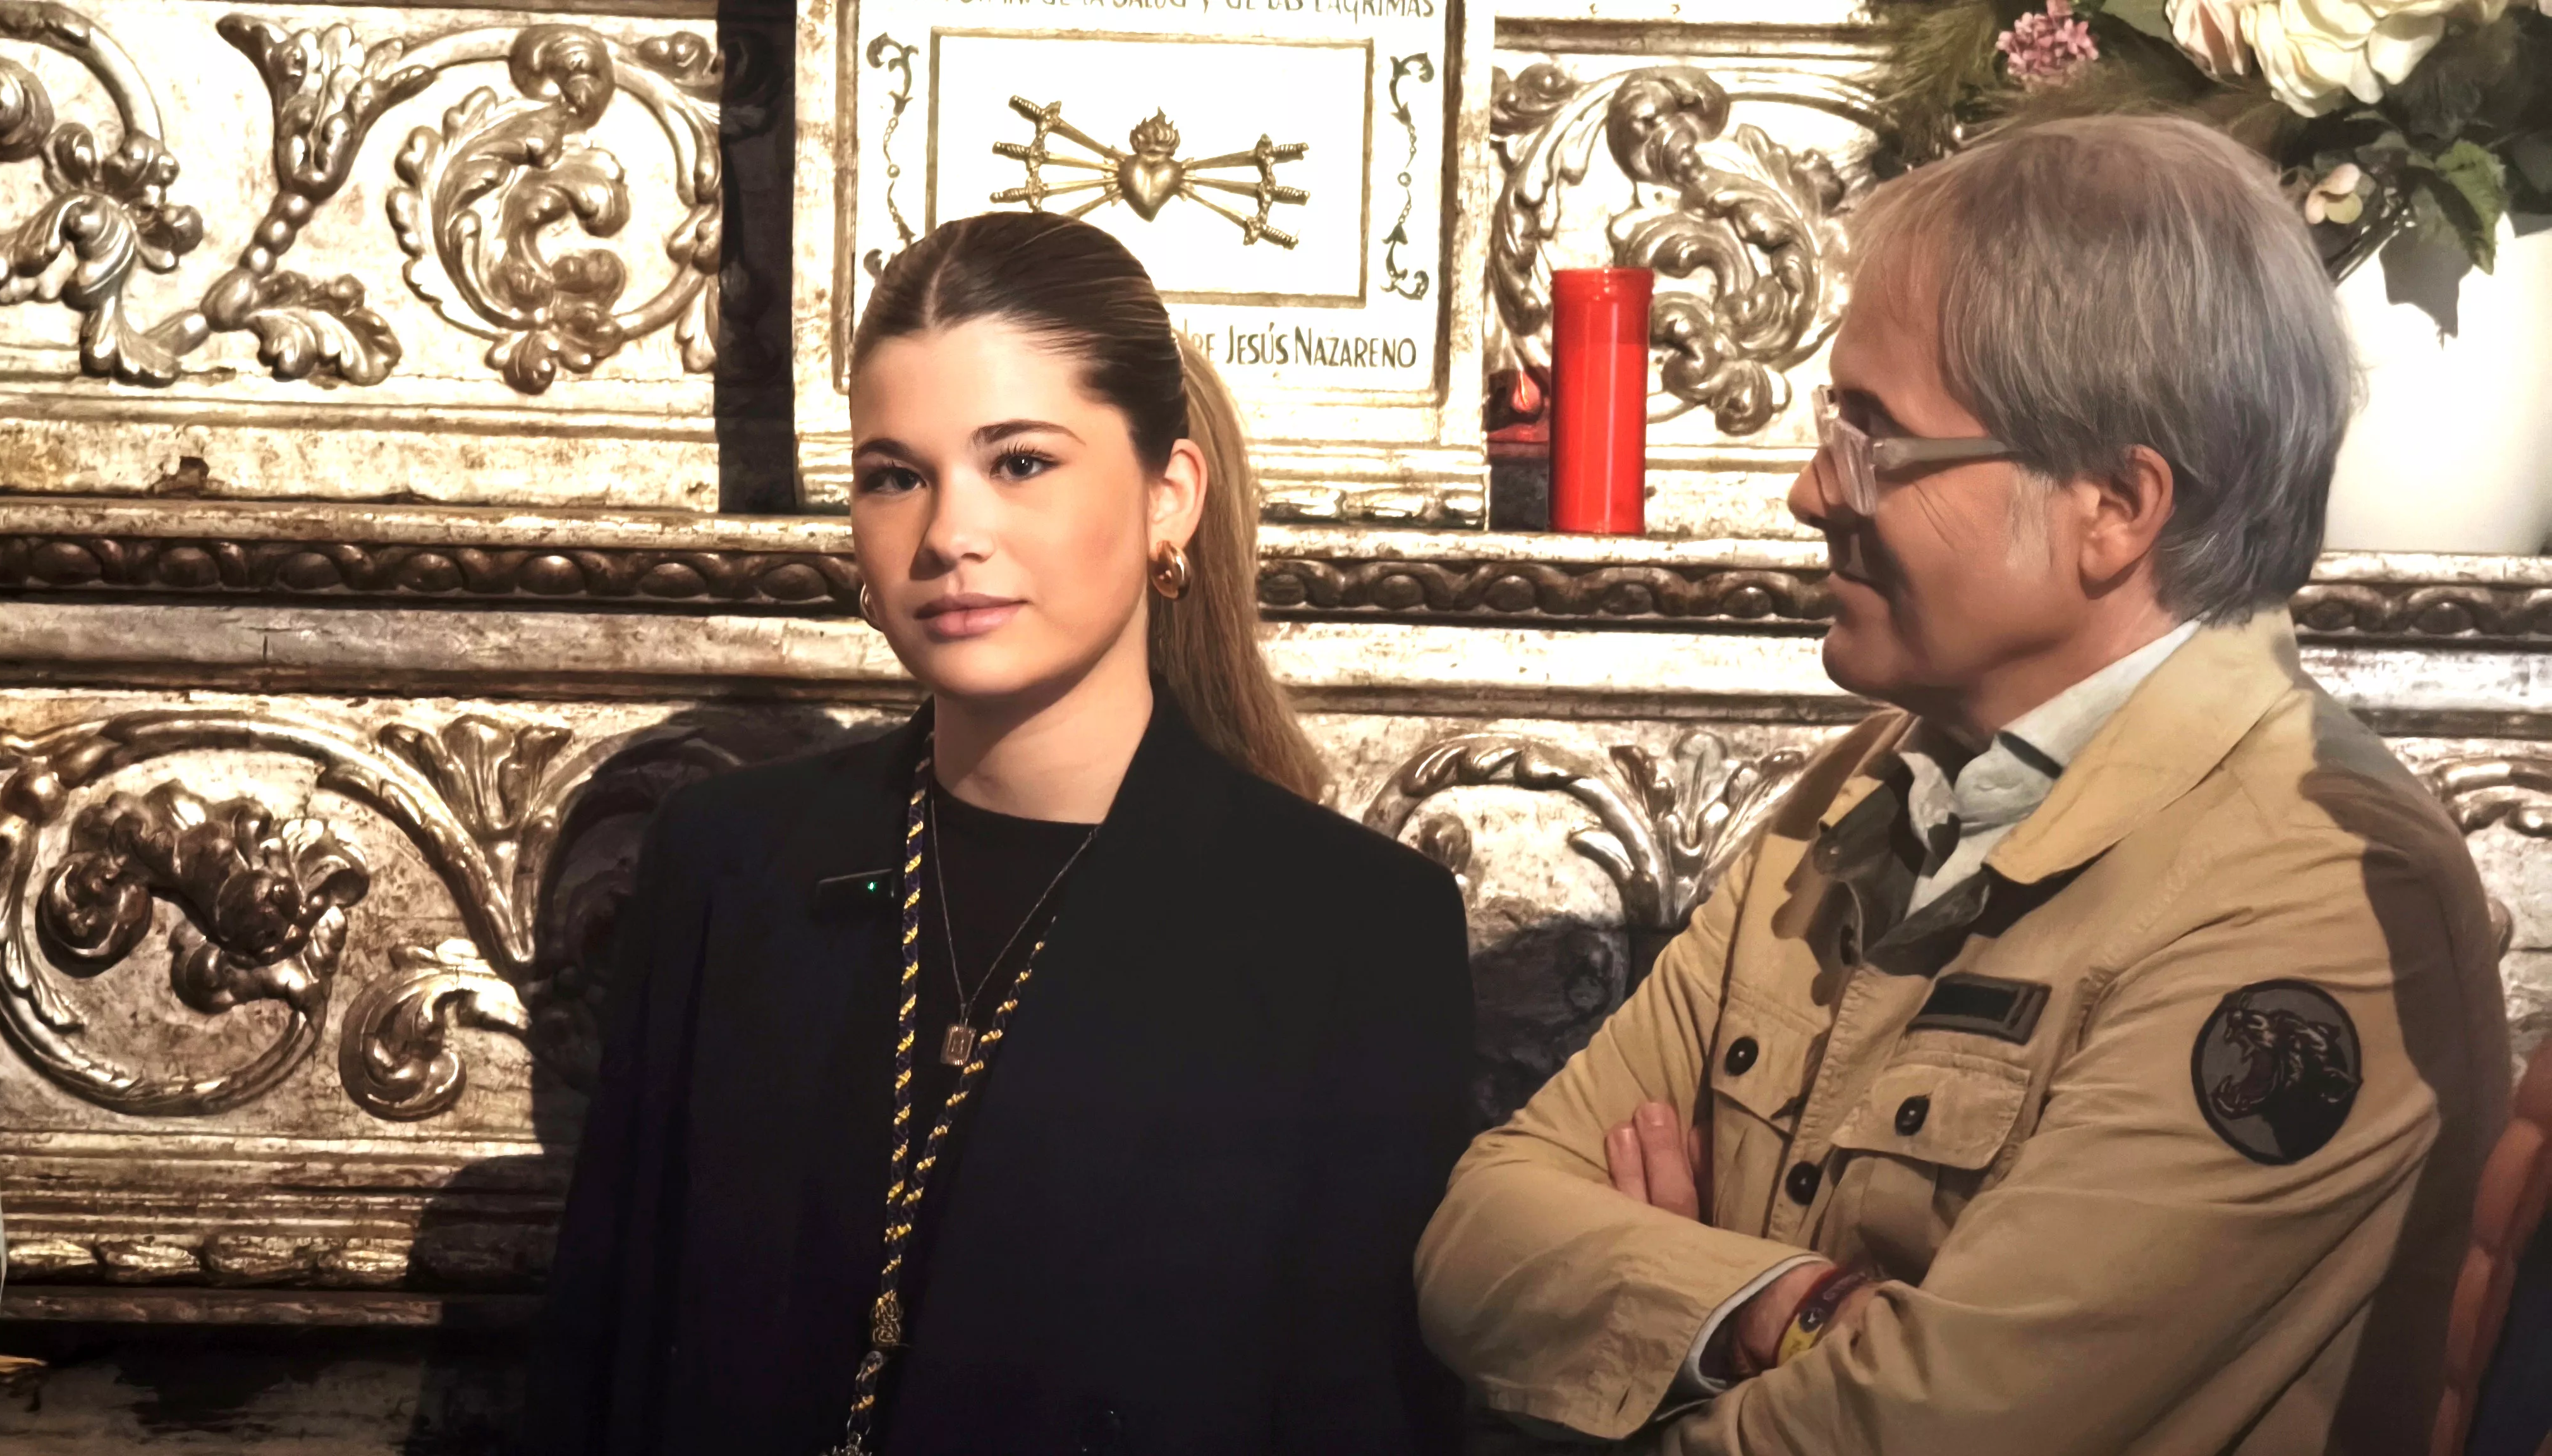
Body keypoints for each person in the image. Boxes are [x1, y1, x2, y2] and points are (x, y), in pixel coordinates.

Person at [1415, 114, 2509, 1453]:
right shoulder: (1861, 797)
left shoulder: (2307, 895)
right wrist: (1777, 1308)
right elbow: (1476, 1231)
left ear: (2112, 505)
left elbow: (1926, 1432)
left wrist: (1631, 1319)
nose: (1809, 491)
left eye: (1875, 439)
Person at [522, 210, 1472, 1456]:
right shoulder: (726, 863)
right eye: (893, 474)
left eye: (1018, 462)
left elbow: (1360, 1421)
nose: (947, 535)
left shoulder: (1352, 932)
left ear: (1165, 497)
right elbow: (608, 1362)